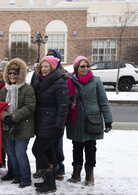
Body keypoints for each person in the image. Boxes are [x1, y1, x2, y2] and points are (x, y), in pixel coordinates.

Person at [66, 56, 113, 186]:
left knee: (91, 148)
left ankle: (89, 176)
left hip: (92, 119)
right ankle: (76, 174)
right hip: (75, 119)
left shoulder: (96, 81)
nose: (85, 68)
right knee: (76, 147)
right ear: (76, 68)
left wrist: (108, 120)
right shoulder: (70, 81)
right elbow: (64, 100)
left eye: (87, 66)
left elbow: (103, 102)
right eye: (82, 66)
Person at [30, 56, 68, 193]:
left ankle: (50, 182)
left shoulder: (59, 83)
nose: (43, 69)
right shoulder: (39, 80)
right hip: (42, 121)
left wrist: (59, 126)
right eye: (41, 66)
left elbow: (63, 107)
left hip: (51, 123)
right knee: (48, 150)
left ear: (53, 67)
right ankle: (49, 181)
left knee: (37, 150)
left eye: (46, 66)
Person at [0, 58, 36, 188]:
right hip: (8, 126)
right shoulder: (5, 89)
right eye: (10, 73)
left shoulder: (27, 89)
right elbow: (0, 106)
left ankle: (25, 179)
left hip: (23, 126)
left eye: (15, 73)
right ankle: (17, 176)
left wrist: (13, 117)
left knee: (20, 153)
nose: (12, 75)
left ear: (20, 74)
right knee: (12, 154)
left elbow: (30, 106)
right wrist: (6, 117)